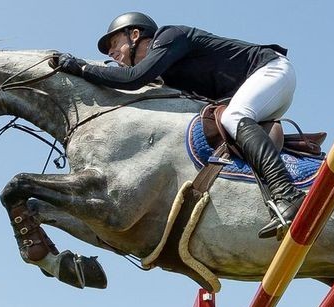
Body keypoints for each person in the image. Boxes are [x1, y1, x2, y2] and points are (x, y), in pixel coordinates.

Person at [55, 12, 304, 238]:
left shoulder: (171, 36)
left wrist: (82, 68)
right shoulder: (166, 74)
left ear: (134, 35)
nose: (111, 54)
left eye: (113, 44)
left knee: (234, 117)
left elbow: (134, 79)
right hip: (251, 90)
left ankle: (287, 194)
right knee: (228, 123)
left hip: (270, 70)